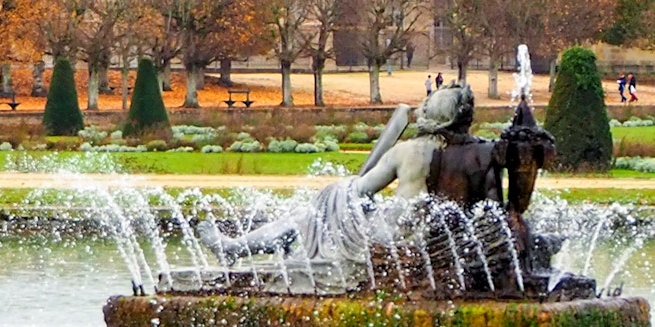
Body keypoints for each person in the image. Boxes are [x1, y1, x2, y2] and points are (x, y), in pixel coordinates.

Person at [199, 84, 478, 268]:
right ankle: (245, 247)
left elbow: (361, 190)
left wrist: (338, 190)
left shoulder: (407, 151)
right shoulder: (478, 151)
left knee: (312, 213)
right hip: (440, 234)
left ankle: (236, 248)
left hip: (396, 237)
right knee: (320, 213)